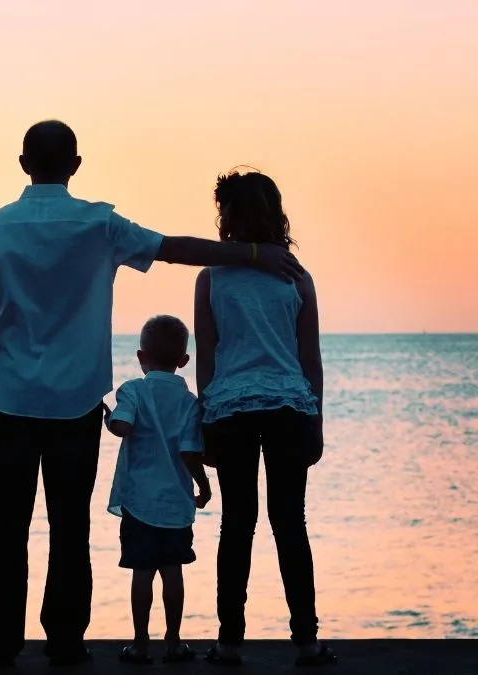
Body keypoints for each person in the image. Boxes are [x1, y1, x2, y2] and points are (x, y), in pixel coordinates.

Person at [0, 120, 305, 667]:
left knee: (8, 524)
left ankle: (1, 639)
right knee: (70, 524)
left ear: (24, 164)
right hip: (76, 399)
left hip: (9, 397)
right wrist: (253, 255)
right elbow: (172, 249)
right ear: (75, 166)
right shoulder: (99, 224)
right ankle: (66, 641)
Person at [195, 170, 335, 668]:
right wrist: (316, 420)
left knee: (237, 525)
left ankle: (229, 642)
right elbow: (309, 357)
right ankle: (306, 642)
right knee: (289, 524)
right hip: (289, 407)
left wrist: (205, 419)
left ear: (227, 215)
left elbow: (207, 357)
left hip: (230, 407)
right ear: (276, 213)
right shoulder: (297, 277)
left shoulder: (211, 275)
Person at [104, 316, 212, 665]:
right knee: (173, 572)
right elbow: (190, 451)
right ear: (183, 361)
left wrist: (106, 417)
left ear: (141, 356)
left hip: (139, 503)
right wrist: (204, 484)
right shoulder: (189, 402)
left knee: (142, 574)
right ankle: (174, 642)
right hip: (176, 505)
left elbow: (121, 426)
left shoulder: (133, 390)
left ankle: (140, 643)